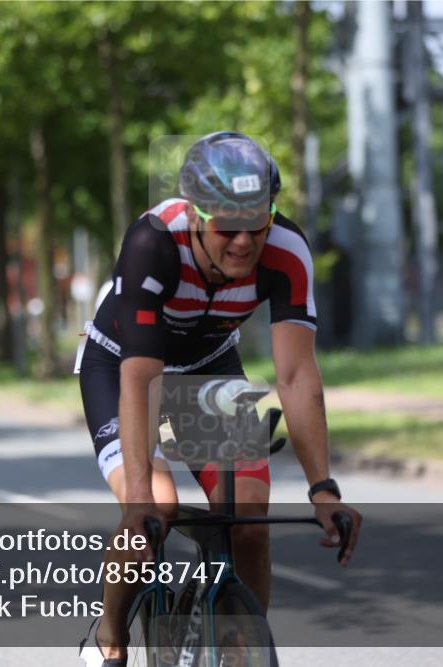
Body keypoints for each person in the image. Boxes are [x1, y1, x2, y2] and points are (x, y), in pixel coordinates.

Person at [77, 131, 362, 666]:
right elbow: (141, 380)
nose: (243, 242)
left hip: (209, 370)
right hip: (123, 365)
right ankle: (110, 638)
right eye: (227, 226)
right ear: (195, 215)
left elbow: (297, 375)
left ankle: (240, 647)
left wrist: (324, 489)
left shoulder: (286, 250)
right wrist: (139, 495)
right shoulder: (153, 242)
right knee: (153, 509)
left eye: (257, 223)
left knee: (249, 522)